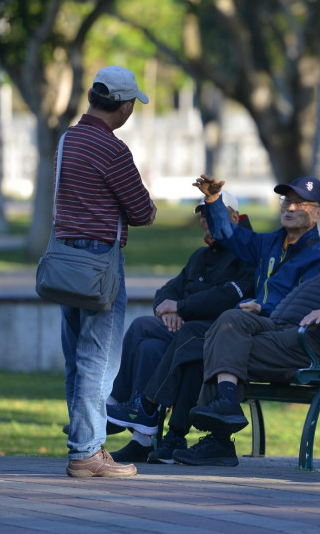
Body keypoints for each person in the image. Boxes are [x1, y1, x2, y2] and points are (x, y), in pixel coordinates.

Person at [174, 185, 320, 467]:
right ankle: (225, 405)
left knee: (219, 344)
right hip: (284, 331)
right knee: (231, 320)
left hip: (317, 345)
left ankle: (218, 439)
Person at [108, 176, 320, 465]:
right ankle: (163, 425)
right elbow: (226, 233)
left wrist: (262, 308)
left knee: (196, 336)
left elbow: (302, 303)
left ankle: (151, 411)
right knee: (183, 337)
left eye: (300, 203)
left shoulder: (318, 255)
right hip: (245, 325)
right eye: (287, 201)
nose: (290, 207)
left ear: (318, 213)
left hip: (276, 330)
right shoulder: (270, 243)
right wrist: (212, 200)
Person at [58, 65, 157, 478]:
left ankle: (88, 444)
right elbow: (143, 211)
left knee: (77, 357)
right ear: (125, 105)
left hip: (65, 260)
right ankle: (86, 452)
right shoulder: (112, 149)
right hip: (100, 261)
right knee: (100, 358)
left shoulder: (68, 139)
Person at [105, 192, 255, 463]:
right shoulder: (200, 256)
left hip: (218, 334)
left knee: (187, 347)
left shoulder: (247, 255)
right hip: (185, 329)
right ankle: (131, 425)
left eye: (213, 215)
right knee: (144, 332)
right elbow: (166, 292)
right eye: (203, 217)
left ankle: (154, 419)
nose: (206, 222)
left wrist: (182, 308)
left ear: (234, 217)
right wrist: (168, 310)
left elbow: (227, 297)